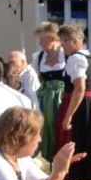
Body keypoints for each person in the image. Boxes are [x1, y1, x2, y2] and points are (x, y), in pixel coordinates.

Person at [57, 23, 91, 180]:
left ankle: (79, 176)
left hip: (78, 104)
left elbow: (79, 88)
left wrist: (68, 115)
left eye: (63, 41)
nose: (62, 46)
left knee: (78, 141)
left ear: (73, 41)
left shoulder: (75, 58)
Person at [31, 22, 67, 161]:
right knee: (47, 128)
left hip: (63, 98)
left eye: (41, 39)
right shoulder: (39, 57)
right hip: (45, 99)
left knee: (61, 128)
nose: (39, 43)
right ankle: (52, 159)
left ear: (52, 38)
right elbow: (33, 77)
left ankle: (64, 160)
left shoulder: (66, 55)